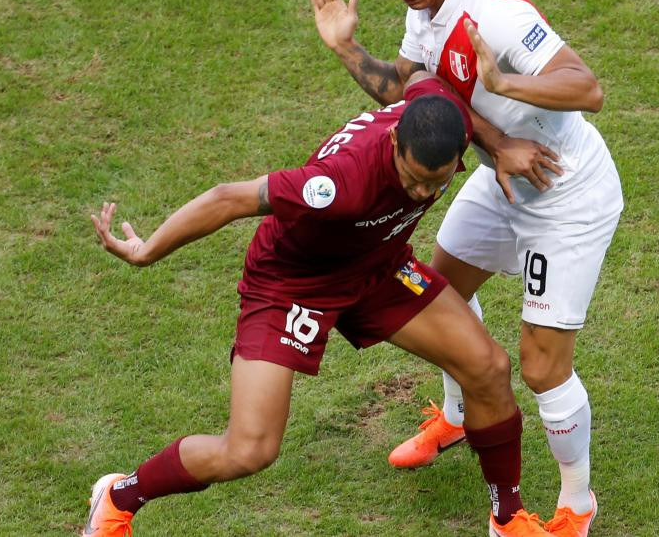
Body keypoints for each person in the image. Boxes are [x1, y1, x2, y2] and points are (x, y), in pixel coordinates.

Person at [82, 72, 555, 537]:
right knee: (249, 450)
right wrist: (146, 252)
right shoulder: (338, 185)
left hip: (377, 266)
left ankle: (508, 520)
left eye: (436, 182)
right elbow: (229, 199)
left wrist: (497, 144)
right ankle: (120, 496)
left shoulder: (443, 117)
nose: (423, 194)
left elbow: (421, 77)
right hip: (293, 284)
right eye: (412, 181)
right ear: (393, 141)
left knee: (488, 367)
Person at [309, 0, 623, 537]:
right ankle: (457, 416)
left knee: (540, 366)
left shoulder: (497, 16)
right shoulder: (426, 13)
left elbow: (586, 87)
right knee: (439, 299)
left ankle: (576, 507)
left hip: (566, 196)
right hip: (502, 181)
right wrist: (346, 49)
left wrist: (507, 85)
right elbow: (409, 90)